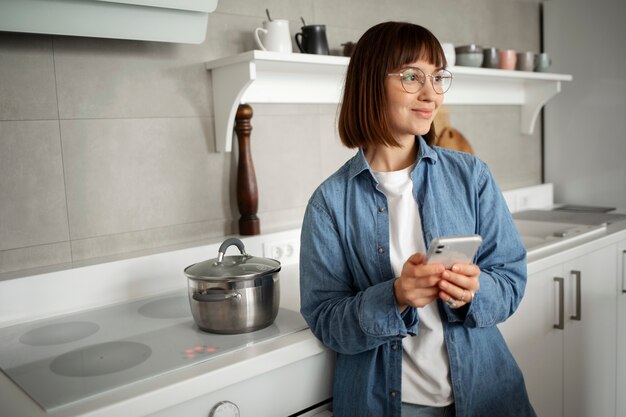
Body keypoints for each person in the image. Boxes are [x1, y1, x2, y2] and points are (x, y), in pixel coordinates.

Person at [299, 21, 536, 417]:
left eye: (438, 77)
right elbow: (326, 319)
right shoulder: (329, 203)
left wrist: (473, 291)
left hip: (487, 395)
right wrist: (394, 296)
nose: (432, 94)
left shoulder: (471, 176)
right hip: (387, 405)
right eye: (412, 76)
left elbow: (511, 278)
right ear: (371, 84)